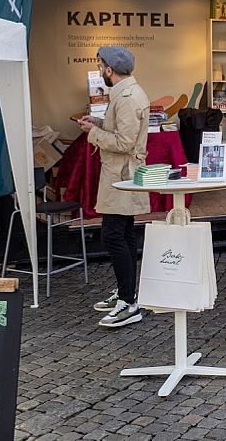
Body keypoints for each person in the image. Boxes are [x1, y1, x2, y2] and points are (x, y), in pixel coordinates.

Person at [78, 45, 150, 329]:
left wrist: (93, 133)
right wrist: (97, 122)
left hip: (122, 175)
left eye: (100, 66)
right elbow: (122, 131)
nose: (99, 70)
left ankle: (128, 301)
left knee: (113, 235)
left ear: (109, 69)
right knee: (123, 233)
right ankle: (127, 292)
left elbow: (124, 142)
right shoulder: (124, 94)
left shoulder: (128, 97)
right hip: (120, 174)